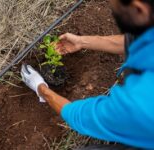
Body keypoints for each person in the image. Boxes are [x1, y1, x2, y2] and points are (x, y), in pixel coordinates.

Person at [21, 0, 154, 149]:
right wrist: (82, 42)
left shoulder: (139, 105)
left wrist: (41, 88)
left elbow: (78, 116)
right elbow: (135, 41)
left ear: (139, 9)